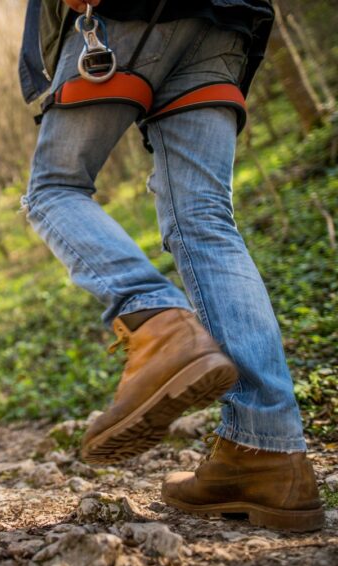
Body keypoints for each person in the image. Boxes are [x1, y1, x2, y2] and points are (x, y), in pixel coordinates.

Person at [18, 0, 324, 531]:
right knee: (204, 219)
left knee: (54, 188)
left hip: (128, 16)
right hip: (229, 22)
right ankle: (268, 451)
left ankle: (156, 321)